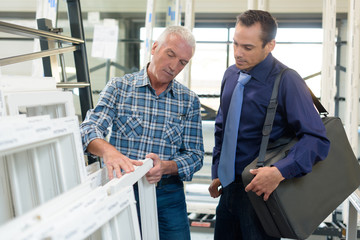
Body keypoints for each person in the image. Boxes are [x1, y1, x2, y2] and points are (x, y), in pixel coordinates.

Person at [208, 10, 330, 239]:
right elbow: (222, 128)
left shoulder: (287, 81)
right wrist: (218, 170)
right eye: (235, 44)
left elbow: (317, 139)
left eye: (248, 47)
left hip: (262, 195)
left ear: (270, 45)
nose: (237, 53)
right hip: (228, 191)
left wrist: (279, 172)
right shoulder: (231, 75)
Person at [80, 26, 204, 240]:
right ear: (155, 48)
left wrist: (165, 167)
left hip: (167, 194)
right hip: (122, 188)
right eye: (170, 54)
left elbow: (195, 156)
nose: (174, 66)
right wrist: (110, 153)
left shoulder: (189, 101)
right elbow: (88, 129)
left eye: (182, 62)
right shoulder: (119, 87)